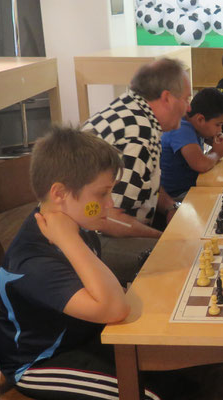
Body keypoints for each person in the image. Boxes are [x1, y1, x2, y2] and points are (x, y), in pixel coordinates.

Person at [0, 127, 180, 399]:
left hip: (84, 334)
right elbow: (115, 308)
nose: (110, 203)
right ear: (59, 193)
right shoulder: (34, 261)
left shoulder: (76, 222)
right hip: (42, 362)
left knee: (174, 371)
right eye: (101, 194)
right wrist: (69, 241)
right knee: (147, 395)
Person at [83, 58, 191, 272]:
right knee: (181, 256)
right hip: (87, 239)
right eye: (187, 98)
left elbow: (143, 181)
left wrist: (170, 207)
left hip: (101, 226)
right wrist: (163, 238)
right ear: (167, 98)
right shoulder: (139, 135)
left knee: (187, 211)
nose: (189, 107)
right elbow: (109, 219)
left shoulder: (132, 109)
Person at [160, 88, 223, 200]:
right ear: (200, 119)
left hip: (192, 186)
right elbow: (200, 164)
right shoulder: (181, 127)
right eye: (218, 124)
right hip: (179, 195)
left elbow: (207, 138)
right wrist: (217, 153)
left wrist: (214, 140)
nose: (220, 130)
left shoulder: (193, 123)